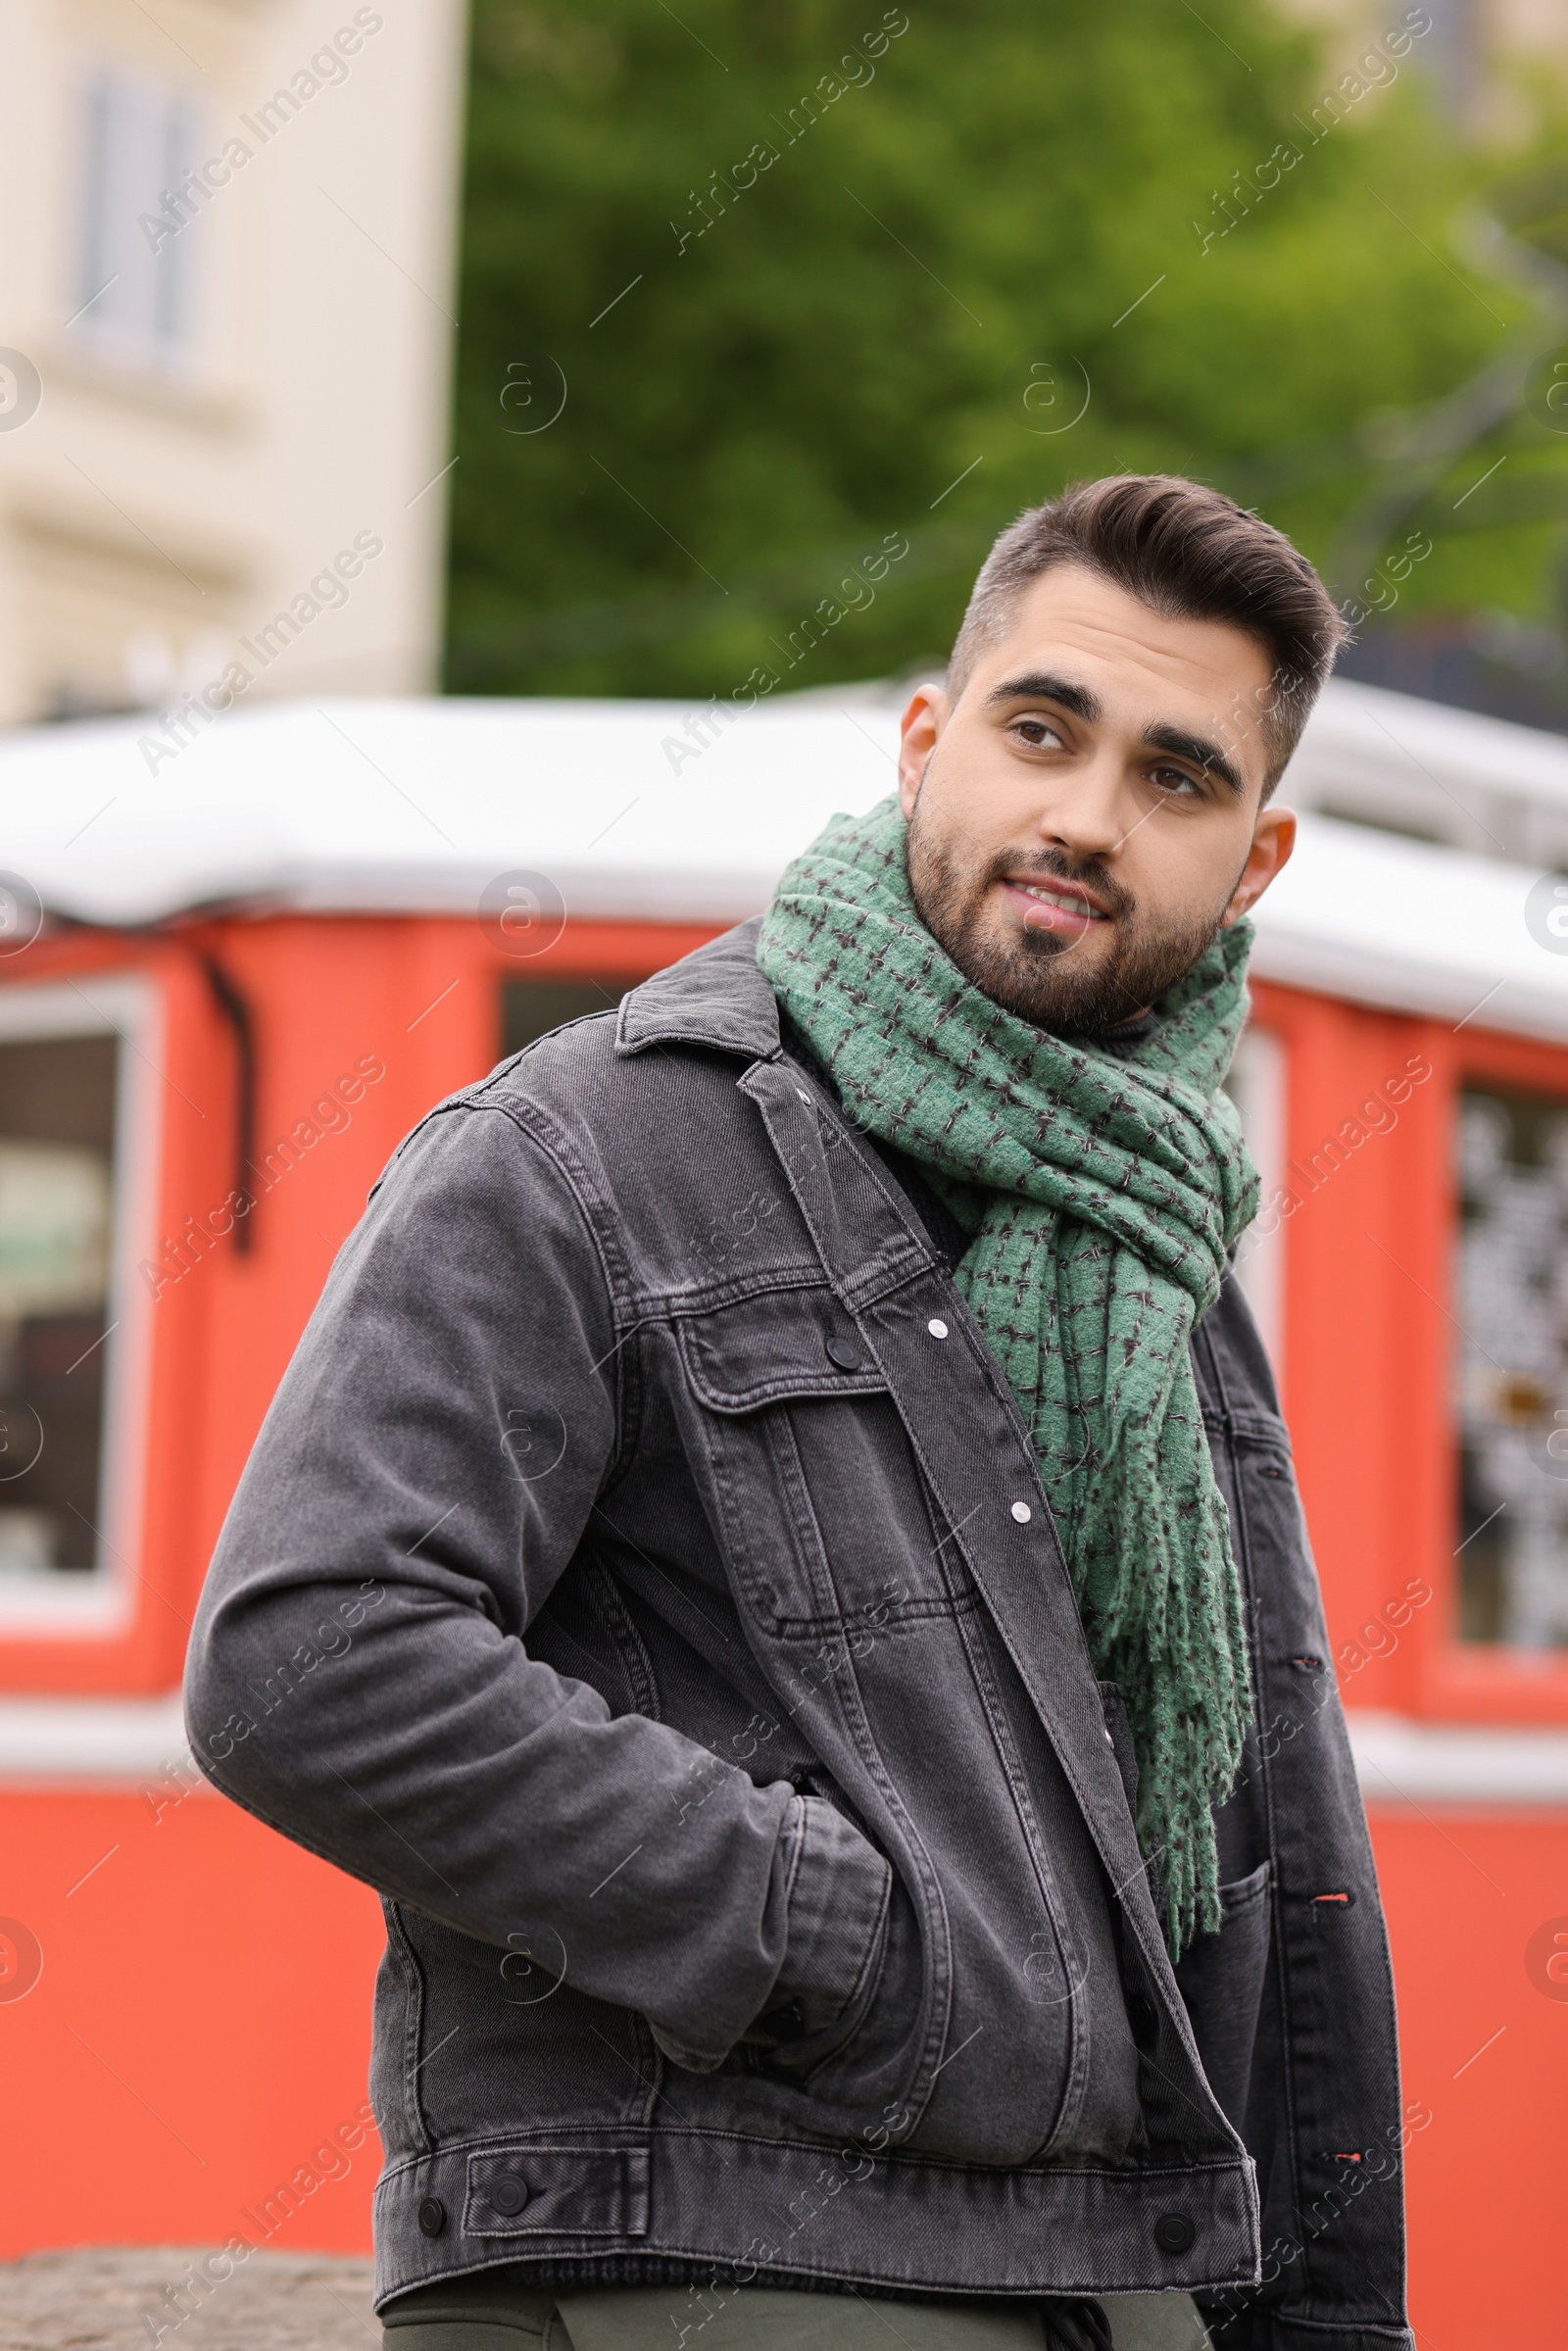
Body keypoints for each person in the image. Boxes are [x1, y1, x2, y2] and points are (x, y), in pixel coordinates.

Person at [184, 475, 1412, 2351]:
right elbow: (309, 1659)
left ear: (1255, 862)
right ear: (928, 743)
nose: (1084, 816)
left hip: (1124, 2249)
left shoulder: (1163, 1242)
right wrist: (835, 1933)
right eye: (1040, 729)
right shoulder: (583, 1145)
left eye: (1176, 778)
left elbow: (1277, 1844)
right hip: (701, 2236)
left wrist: (1331, 2316)